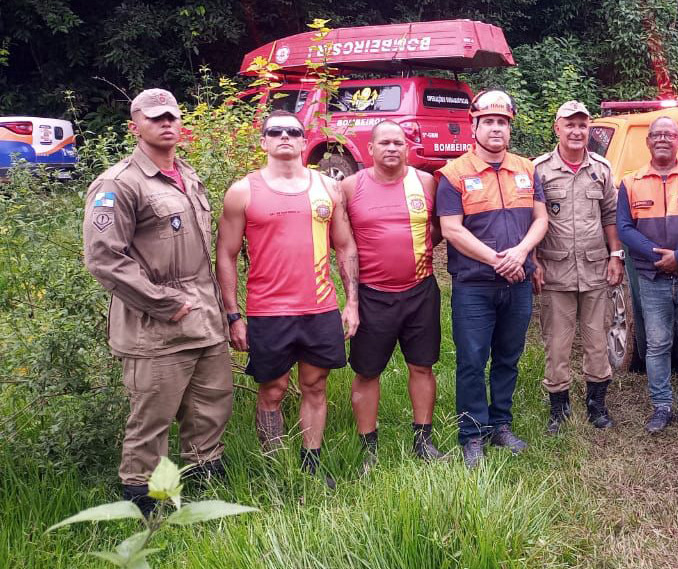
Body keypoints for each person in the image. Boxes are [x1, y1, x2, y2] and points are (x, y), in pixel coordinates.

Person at [83, 88, 233, 515]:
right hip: (157, 326)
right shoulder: (119, 183)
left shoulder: (186, 174)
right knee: (152, 419)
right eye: (155, 118)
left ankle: (205, 481)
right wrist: (163, 302)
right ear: (135, 127)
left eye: (172, 116)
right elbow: (104, 259)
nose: (166, 123)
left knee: (212, 406)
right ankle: (144, 501)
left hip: (204, 318)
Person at [216, 109, 359, 485]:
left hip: (320, 307)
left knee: (315, 385)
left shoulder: (327, 188)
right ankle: (277, 468)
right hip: (268, 311)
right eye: (275, 131)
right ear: (263, 141)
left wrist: (352, 303)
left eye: (293, 131)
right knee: (273, 389)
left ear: (302, 141)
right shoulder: (243, 191)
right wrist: (233, 315)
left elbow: (344, 248)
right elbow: (226, 255)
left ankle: (311, 465)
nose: (284, 136)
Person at [436, 90, 549, 467]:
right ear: (475, 125)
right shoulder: (453, 175)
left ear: (509, 127)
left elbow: (541, 219)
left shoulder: (527, 169)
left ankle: (500, 424)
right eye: (489, 122)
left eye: (502, 122)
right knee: (471, 360)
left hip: (517, 284)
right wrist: (498, 259)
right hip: (474, 286)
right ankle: (471, 434)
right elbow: (451, 230)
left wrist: (520, 254)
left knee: (508, 357)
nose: (496, 128)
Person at [340, 120, 444, 466]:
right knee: (367, 372)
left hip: (420, 290)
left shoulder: (425, 182)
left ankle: (423, 440)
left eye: (398, 143)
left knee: (422, 366)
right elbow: (344, 246)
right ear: (369, 149)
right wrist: (351, 301)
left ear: (407, 147)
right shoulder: (350, 187)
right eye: (384, 142)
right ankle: (369, 449)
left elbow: (438, 230)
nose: (391, 148)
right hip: (372, 294)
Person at [617, 116, 678, 433]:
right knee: (657, 344)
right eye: (656, 134)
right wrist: (658, 256)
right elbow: (624, 228)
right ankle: (661, 407)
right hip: (652, 276)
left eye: (669, 134)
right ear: (647, 142)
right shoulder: (630, 183)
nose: (662, 138)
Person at [532, 100, 625, 434]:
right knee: (556, 343)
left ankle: (597, 405)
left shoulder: (600, 169)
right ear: (557, 128)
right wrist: (532, 261)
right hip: (555, 270)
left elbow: (611, 216)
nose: (576, 131)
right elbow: (530, 220)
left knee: (597, 341)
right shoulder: (539, 170)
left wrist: (616, 256)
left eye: (582, 125)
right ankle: (559, 409)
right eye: (569, 124)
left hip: (595, 268)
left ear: (589, 130)